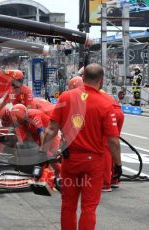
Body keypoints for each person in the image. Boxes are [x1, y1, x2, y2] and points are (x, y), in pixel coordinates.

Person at [42, 63, 122, 230]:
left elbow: (51, 129)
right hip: (93, 163)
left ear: (83, 77)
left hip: (71, 161)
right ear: (101, 81)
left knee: (68, 206)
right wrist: (118, 164)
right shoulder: (105, 103)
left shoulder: (65, 97)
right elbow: (113, 141)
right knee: (89, 208)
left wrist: (43, 153)